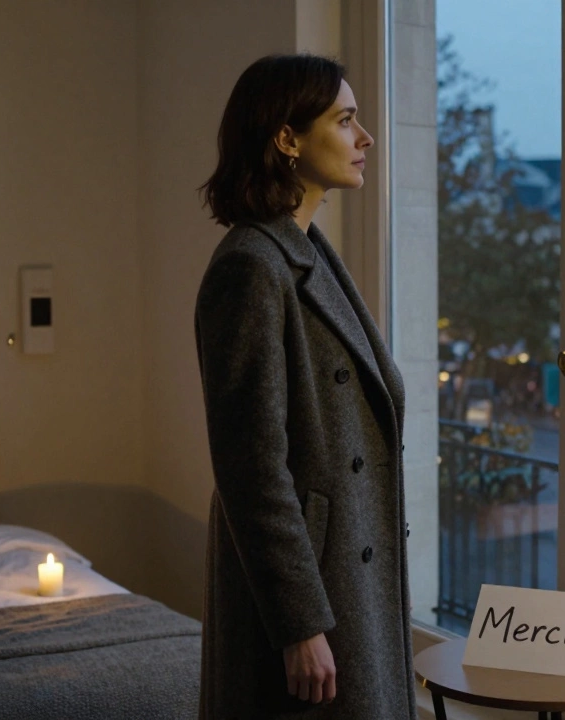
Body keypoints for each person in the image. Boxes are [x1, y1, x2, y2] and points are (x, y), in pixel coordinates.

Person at [193, 54, 414, 719]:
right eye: (345, 121)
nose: (364, 138)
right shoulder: (251, 268)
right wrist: (298, 623)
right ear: (288, 139)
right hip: (309, 594)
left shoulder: (305, 252)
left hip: (342, 577)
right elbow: (251, 464)